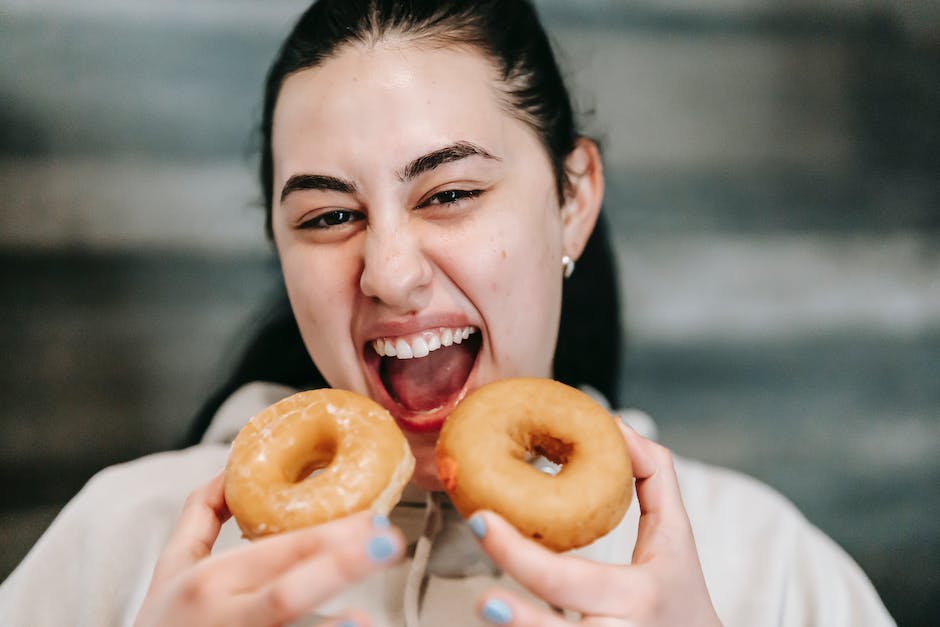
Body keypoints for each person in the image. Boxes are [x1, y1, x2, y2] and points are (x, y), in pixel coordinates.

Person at [0, 1, 895, 626]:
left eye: (450, 192)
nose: (389, 272)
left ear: (572, 197)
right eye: (327, 216)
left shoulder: (765, 566)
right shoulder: (122, 543)